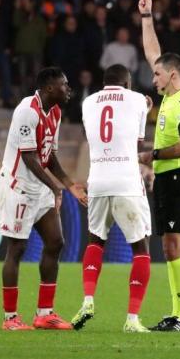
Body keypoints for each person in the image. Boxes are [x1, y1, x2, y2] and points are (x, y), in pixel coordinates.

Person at [0, 67, 87, 331]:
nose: (68, 89)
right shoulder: (27, 111)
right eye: (64, 84)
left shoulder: (55, 112)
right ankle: (10, 318)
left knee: (56, 242)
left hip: (40, 185)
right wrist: (56, 189)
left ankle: (44, 313)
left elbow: (47, 157)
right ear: (49, 88)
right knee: (17, 249)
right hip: (18, 186)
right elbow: (29, 157)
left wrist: (69, 185)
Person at [71, 64, 153, 333]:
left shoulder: (88, 102)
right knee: (140, 249)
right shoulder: (139, 100)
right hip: (126, 180)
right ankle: (131, 319)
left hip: (97, 180)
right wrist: (145, 108)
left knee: (96, 240)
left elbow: (92, 135)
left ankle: (87, 300)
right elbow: (138, 145)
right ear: (128, 83)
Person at [138, 0, 180, 332]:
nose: (154, 78)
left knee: (176, 245)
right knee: (168, 244)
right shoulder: (171, 96)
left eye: (158, 75)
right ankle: (177, 312)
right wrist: (147, 17)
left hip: (179, 177)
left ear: (173, 76)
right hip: (166, 178)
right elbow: (152, 53)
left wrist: (152, 155)